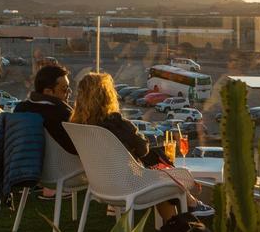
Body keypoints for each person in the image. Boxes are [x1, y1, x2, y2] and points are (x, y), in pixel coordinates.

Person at [70, 72, 214, 219]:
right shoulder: (116, 123)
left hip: (100, 185)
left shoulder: (78, 126)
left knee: (161, 175)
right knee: (162, 175)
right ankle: (189, 208)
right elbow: (143, 149)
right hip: (129, 185)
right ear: (108, 97)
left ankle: (185, 210)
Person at [14, 64, 76, 154]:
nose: (69, 92)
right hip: (64, 166)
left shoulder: (20, 109)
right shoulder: (62, 114)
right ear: (48, 92)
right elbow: (76, 149)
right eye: (64, 88)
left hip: (31, 163)